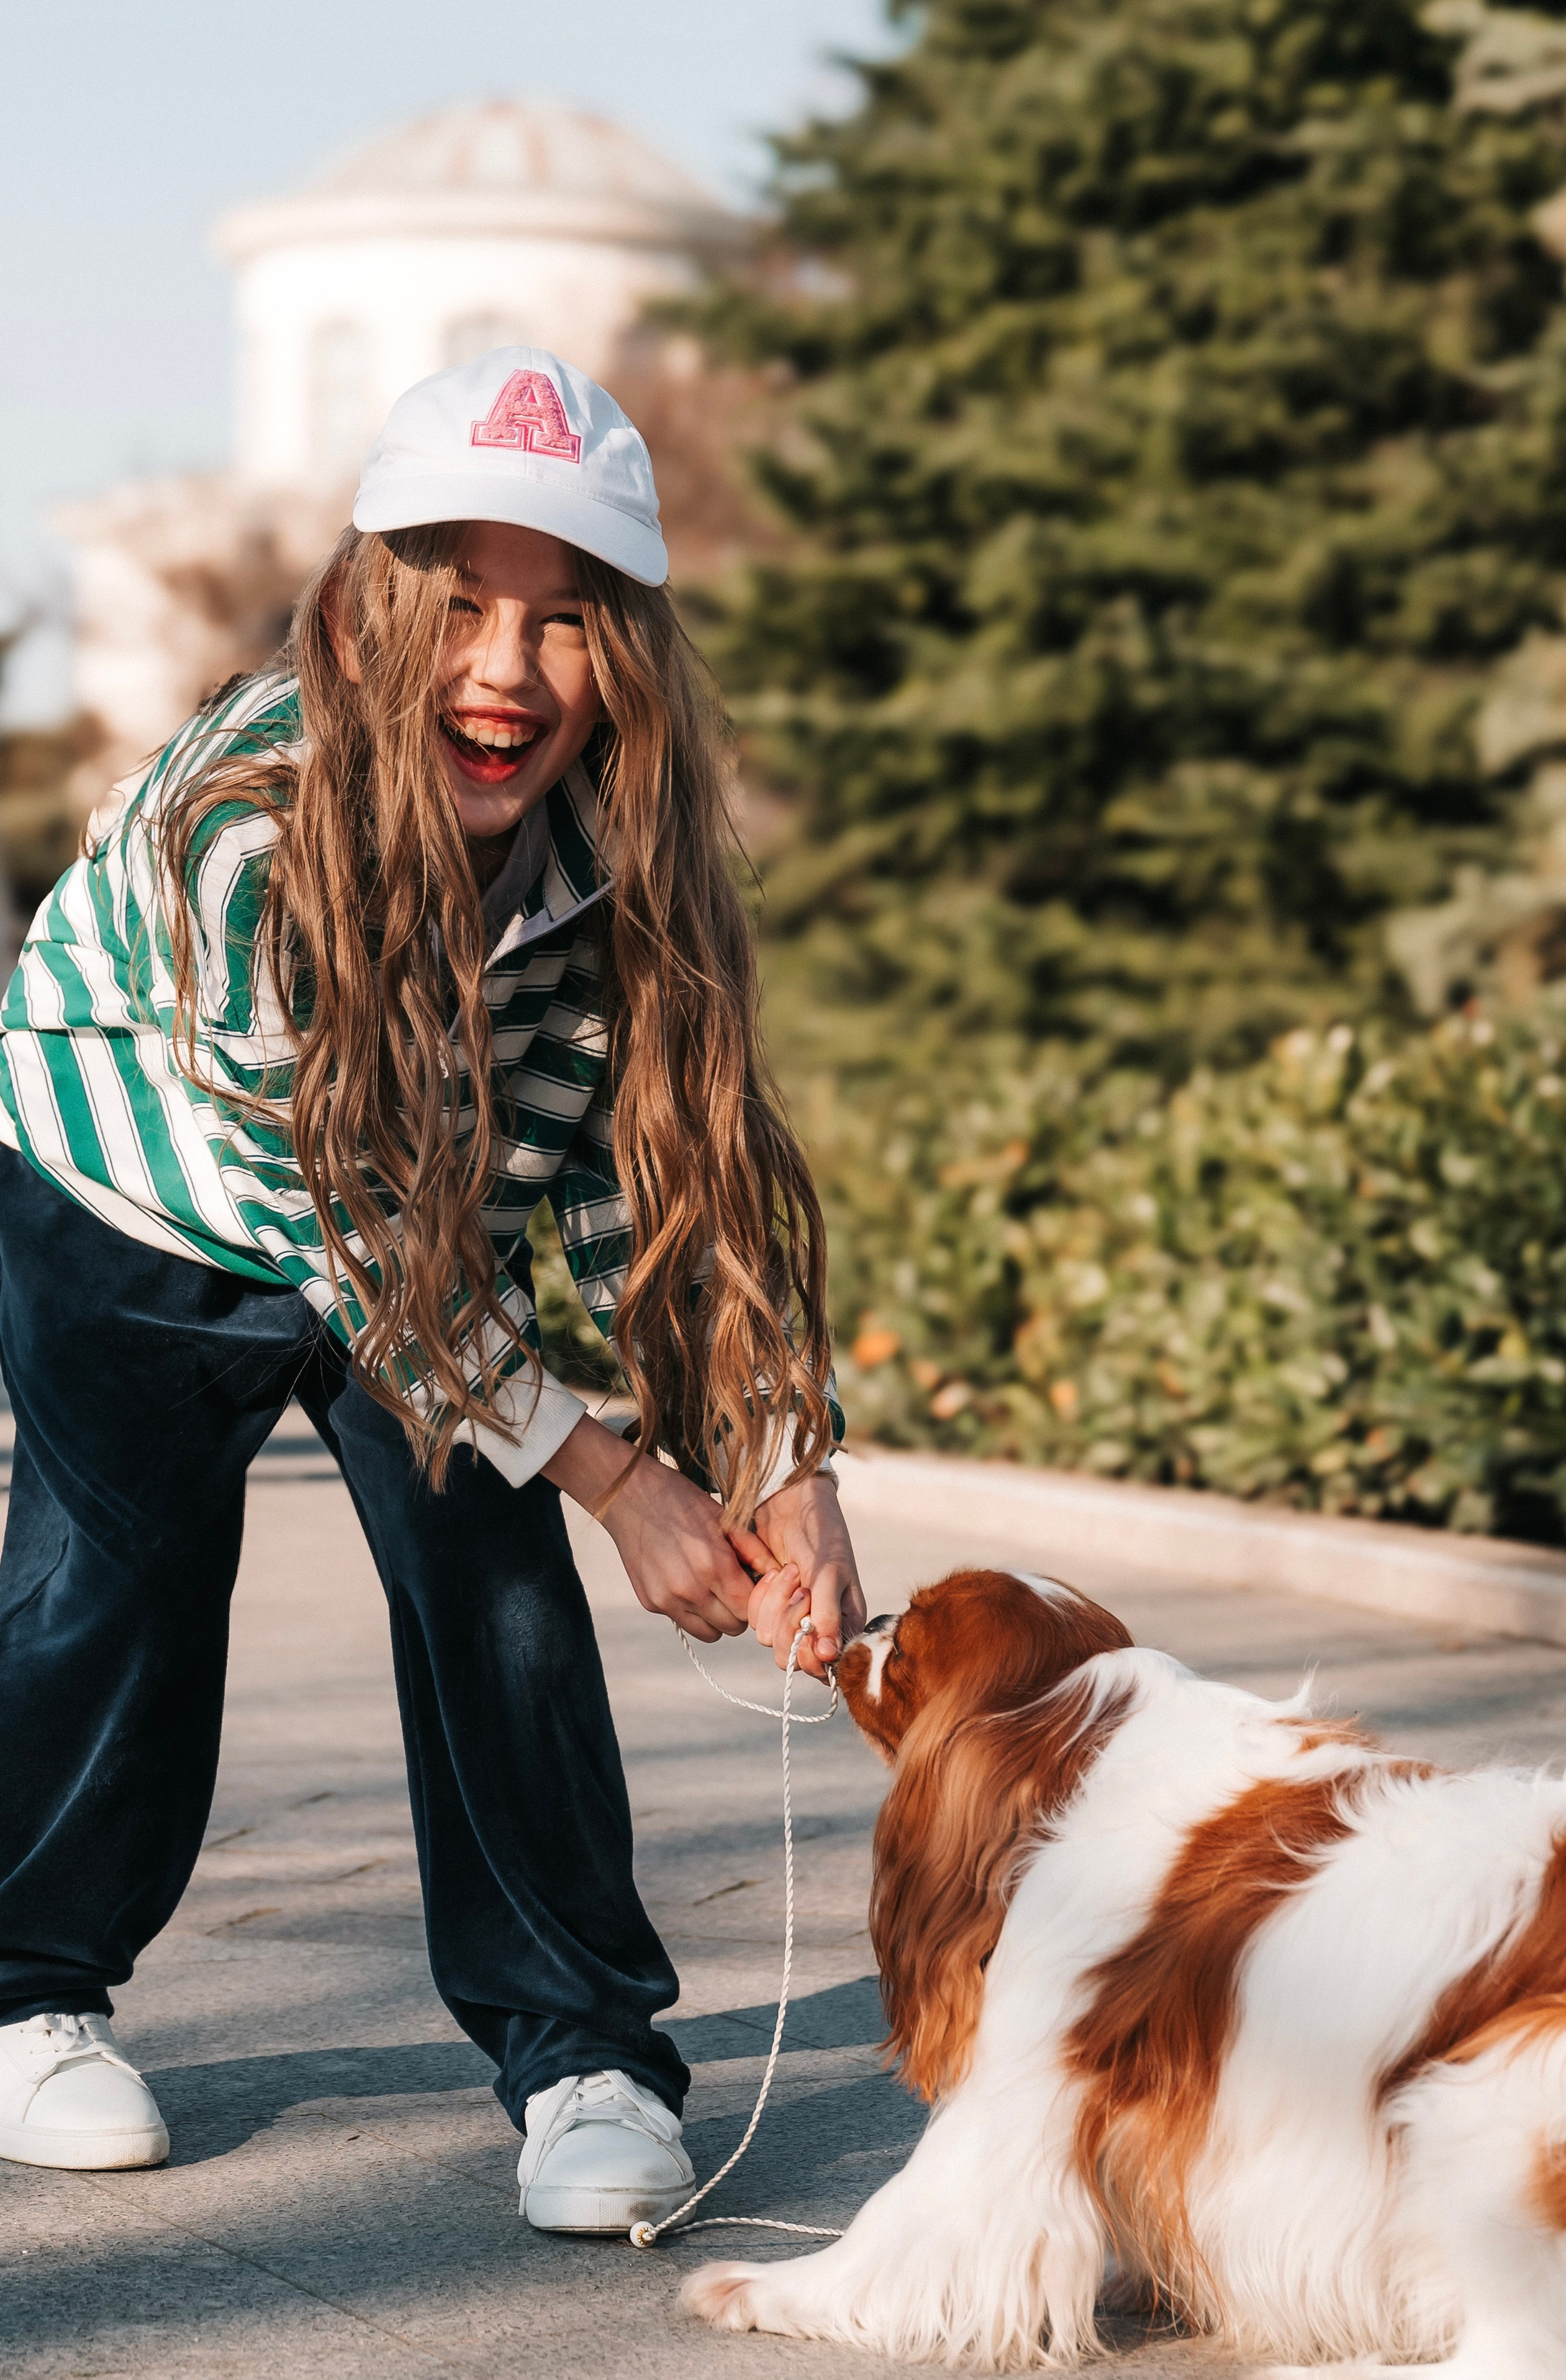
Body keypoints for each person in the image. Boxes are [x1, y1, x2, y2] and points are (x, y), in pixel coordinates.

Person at [0, 349, 864, 2234]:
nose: (506, 666)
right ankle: (27, 1987)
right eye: (460, 601)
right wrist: (627, 1475)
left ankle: (584, 2049)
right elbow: (336, 1225)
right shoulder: (240, 819)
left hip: (423, 1196)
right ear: (367, 601)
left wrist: (784, 1453)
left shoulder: (619, 840)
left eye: (564, 621)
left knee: (493, 1580)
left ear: (622, 652)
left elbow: (676, 1164)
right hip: (137, 1166)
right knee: (116, 1575)